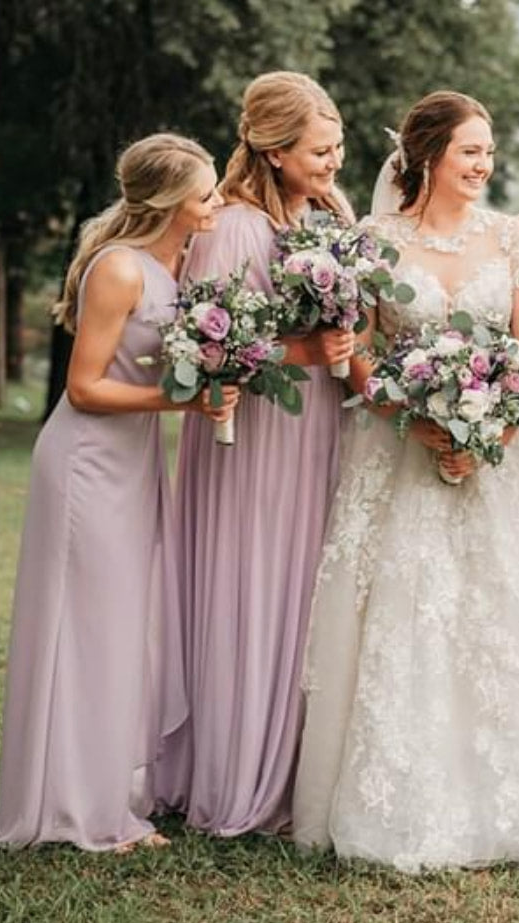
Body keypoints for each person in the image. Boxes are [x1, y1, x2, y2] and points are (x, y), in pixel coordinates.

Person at [292, 91, 519, 872]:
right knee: (405, 615)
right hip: (396, 452)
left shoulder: (510, 241)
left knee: (500, 620)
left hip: (496, 462)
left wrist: (487, 432)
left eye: (491, 153)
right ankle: (394, 805)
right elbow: (357, 352)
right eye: (471, 151)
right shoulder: (372, 240)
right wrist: (413, 413)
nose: (484, 165)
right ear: (427, 154)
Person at [0, 133, 237, 851]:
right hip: (86, 465)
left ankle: (102, 792)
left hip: (132, 465)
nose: (215, 202)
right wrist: (184, 403)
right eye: (206, 191)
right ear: (168, 201)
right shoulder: (119, 269)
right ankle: (71, 809)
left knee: (120, 628)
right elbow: (84, 387)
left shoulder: (174, 263)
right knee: (83, 630)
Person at [153, 72, 355, 836]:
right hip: (254, 436)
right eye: (319, 150)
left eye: (338, 147)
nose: (334, 162)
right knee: (254, 582)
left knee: (304, 589)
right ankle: (239, 776)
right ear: (272, 150)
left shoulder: (328, 215)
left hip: (316, 428)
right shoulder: (233, 227)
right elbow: (213, 344)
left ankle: (299, 766)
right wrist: (309, 346)